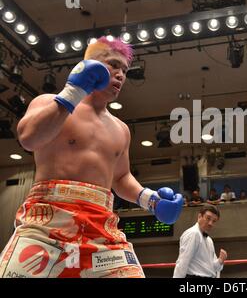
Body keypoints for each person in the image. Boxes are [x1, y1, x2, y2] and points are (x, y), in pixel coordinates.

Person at [0, 37, 183, 278]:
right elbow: (28, 138)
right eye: (113, 65)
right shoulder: (49, 103)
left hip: (101, 227)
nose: (120, 75)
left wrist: (150, 200)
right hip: (45, 224)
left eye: (125, 70)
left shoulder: (121, 129)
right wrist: (72, 93)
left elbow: (120, 177)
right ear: (90, 64)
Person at [173, 204, 227, 278]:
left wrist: (220, 260)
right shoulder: (193, 234)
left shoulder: (209, 240)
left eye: (214, 221)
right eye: (208, 218)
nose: (210, 223)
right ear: (199, 216)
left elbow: (214, 267)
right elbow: (183, 262)